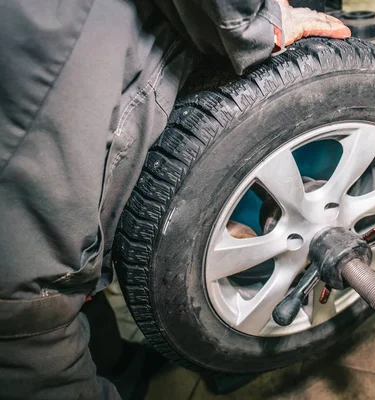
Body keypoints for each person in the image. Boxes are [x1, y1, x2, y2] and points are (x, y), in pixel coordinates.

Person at [0, 1, 350, 398]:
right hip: (38, 94)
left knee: (72, 287)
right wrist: (256, 21)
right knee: (29, 327)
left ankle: (122, 369)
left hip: (42, 52)